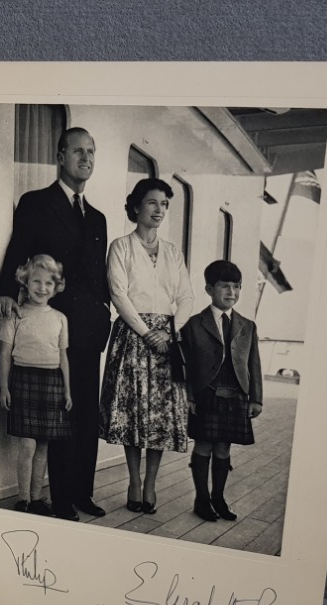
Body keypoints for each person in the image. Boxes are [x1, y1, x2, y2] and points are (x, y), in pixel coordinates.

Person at [0, 127, 111, 521]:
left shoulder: (97, 218)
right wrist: (7, 289)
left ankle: (82, 491)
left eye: (91, 152)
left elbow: (97, 276)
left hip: (89, 328)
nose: (86, 158)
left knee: (85, 413)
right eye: (78, 151)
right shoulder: (36, 202)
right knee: (61, 414)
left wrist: (105, 313)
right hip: (53, 327)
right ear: (60, 157)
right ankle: (60, 500)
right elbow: (19, 248)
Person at [99, 178, 193, 514]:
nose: (159, 210)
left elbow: (185, 296)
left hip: (167, 341)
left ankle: (151, 485)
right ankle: (134, 482)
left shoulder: (172, 252)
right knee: (133, 411)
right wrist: (145, 332)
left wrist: (170, 332)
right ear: (137, 206)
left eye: (164, 204)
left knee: (160, 417)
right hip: (133, 336)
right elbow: (118, 293)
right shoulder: (121, 246)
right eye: (152, 202)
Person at [180, 260, 263, 522]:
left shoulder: (247, 326)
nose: (231, 292)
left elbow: (254, 363)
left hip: (236, 394)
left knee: (224, 448)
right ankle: (201, 499)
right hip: (207, 394)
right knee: (204, 445)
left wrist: (256, 398)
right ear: (209, 289)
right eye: (224, 286)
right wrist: (190, 396)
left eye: (236, 287)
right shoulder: (193, 324)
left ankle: (219, 498)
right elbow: (187, 366)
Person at [0, 255, 73, 514]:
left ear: (56, 287)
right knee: (28, 444)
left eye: (48, 283)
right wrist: (3, 387)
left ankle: (37, 497)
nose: (42, 288)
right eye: (36, 281)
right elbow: (5, 354)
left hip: (51, 382)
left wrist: (67, 390)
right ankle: (23, 498)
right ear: (25, 282)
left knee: (43, 444)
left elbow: (63, 356)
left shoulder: (60, 318)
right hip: (23, 379)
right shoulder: (16, 315)